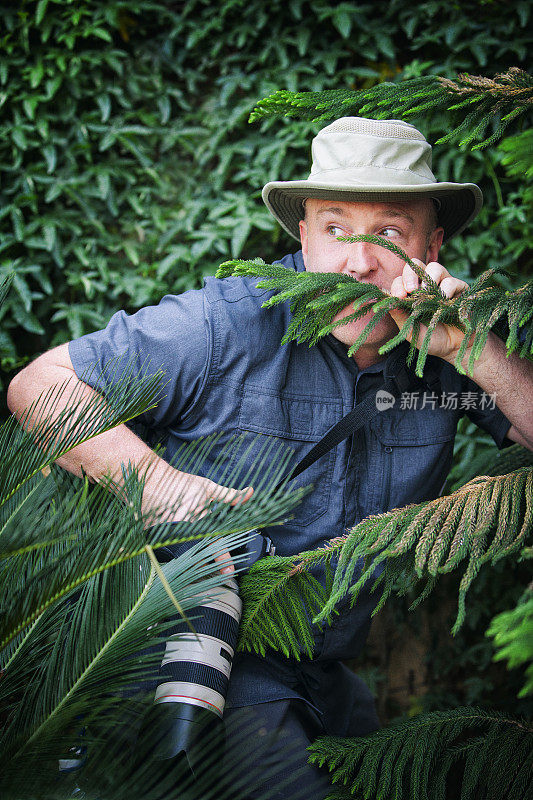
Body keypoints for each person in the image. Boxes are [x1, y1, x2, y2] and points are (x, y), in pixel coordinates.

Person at [7, 117, 533, 799]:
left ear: (433, 248)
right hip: (199, 659)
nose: (357, 261)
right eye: (336, 229)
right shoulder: (224, 324)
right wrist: (160, 486)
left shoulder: (448, 343)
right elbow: (39, 386)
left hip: (329, 676)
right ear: (303, 236)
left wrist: (477, 354)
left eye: (391, 233)